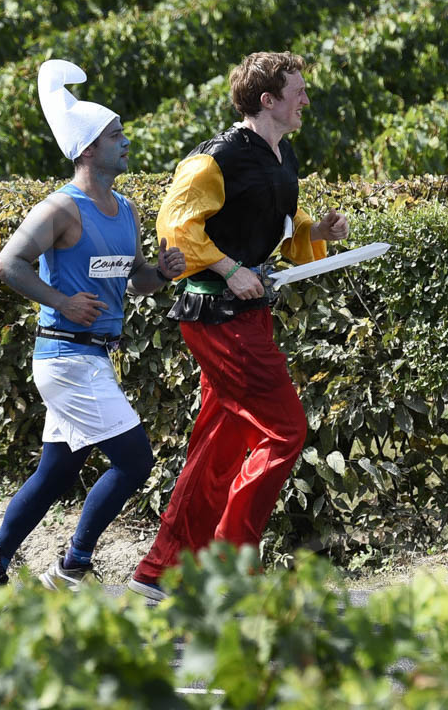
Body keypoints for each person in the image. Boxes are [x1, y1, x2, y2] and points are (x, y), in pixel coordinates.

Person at [0, 61, 185, 600]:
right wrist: (61, 301)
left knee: (56, 474)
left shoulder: (125, 209)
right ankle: (72, 568)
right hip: (65, 358)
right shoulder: (60, 208)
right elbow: (7, 264)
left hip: (91, 357)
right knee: (136, 461)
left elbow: (135, 281)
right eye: (116, 135)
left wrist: (161, 273)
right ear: (87, 149)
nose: (126, 142)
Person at [127, 52, 350, 602]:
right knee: (285, 430)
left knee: (219, 447)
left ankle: (160, 571)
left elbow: (281, 224)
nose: (306, 100)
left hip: (246, 317)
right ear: (267, 100)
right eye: (297, 91)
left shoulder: (282, 153)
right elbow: (175, 228)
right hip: (220, 319)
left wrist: (316, 231)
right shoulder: (214, 159)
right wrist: (229, 269)